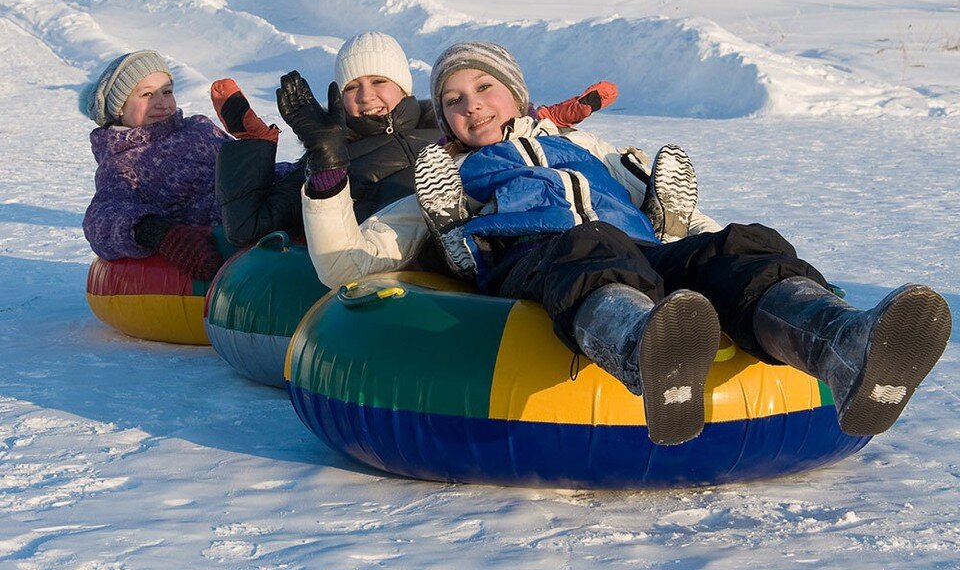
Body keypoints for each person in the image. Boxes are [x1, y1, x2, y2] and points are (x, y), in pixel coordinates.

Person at [304, 41, 952, 448]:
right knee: (589, 247)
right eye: (452, 101)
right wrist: (328, 180)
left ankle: (842, 344)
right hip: (539, 256)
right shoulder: (445, 172)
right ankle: (644, 352)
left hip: (635, 248)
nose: (470, 107)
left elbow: (697, 230)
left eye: (483, 89)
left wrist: (717, 242)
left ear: (517, 94)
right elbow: (347, 264)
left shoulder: (584, 149)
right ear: (440, 118)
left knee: (735, 247)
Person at [215, 31, 618, 248]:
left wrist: (543, 117)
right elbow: (248, 227)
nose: (367, 95)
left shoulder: (449, 122)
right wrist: (254, 142)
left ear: (404, 86)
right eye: (353, 86)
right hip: (395, 256)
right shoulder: (330, 150)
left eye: (379, 81)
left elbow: (502, 137)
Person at [82, 50, 235, 280]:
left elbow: (243, 167)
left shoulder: (199, 127)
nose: (161, 103)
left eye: (167, 92)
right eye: (147, 95)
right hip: (227, 232)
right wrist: (161, 233)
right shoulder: (122, 162)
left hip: (255, 201)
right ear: (120, 107)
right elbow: (102, 218)